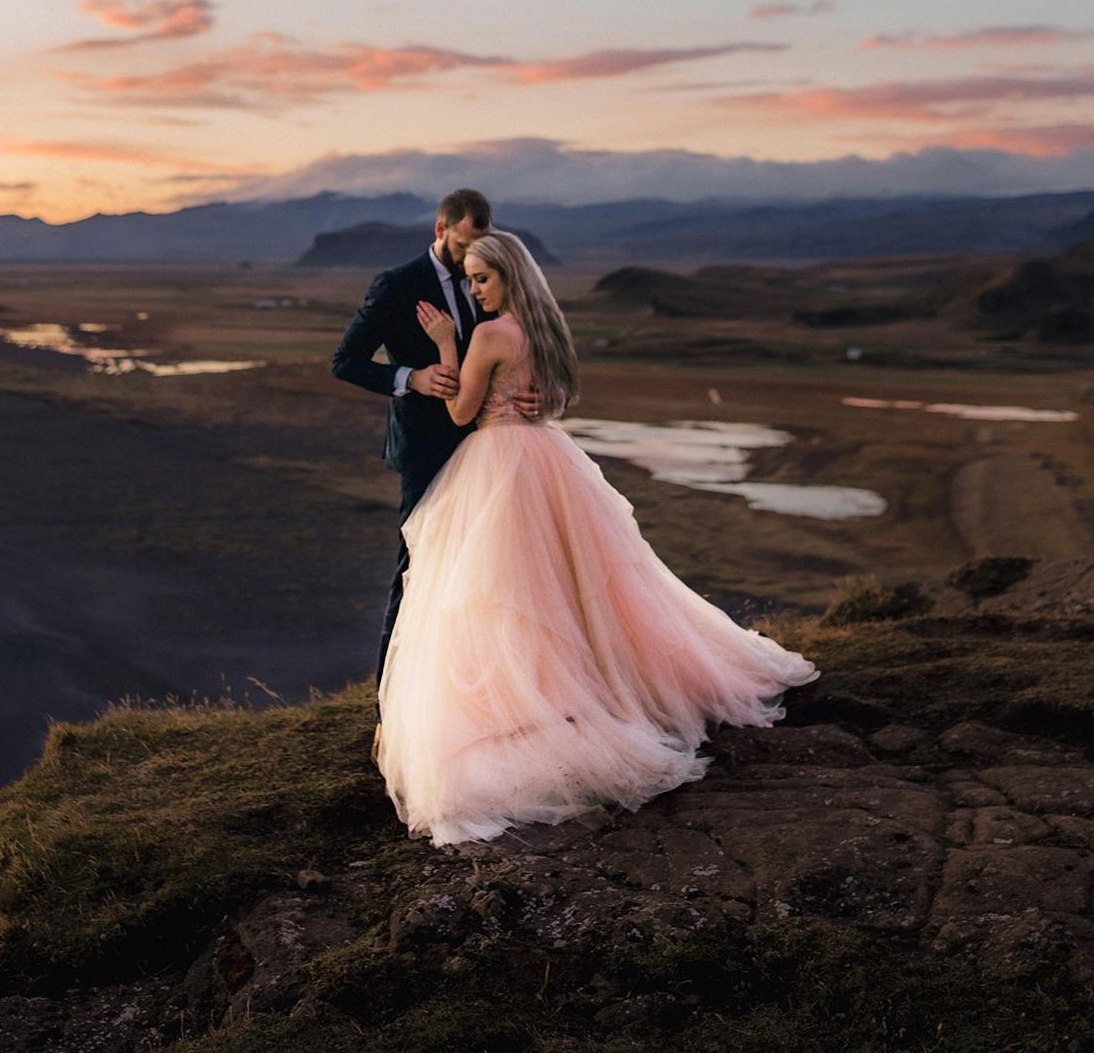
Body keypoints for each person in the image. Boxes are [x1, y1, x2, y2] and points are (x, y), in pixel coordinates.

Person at [370, 229, 820, 847]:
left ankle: (537, 702)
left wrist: (446, 343)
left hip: (499, 464)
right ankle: (595, 685)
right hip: (549, 458)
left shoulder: (489, 333)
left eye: (482, 278)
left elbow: (459, 411)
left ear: (507, 276)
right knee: (574, 581)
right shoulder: (545, 327)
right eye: (470, 278)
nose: (473, 289)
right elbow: (554, 397)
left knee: (503, 588)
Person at [329, 189, 542, 712]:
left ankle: (480, 693)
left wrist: (537, 396)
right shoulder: (397, 286)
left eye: (482, 248)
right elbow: (346, 360)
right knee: (418, 569)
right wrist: (413, 377)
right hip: (427, 449)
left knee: (497, 571)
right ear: (440, 229)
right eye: (464, 245)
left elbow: (521, 350)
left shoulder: (496, 279)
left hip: (493, 446)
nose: (473, 262)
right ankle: (393, 706)